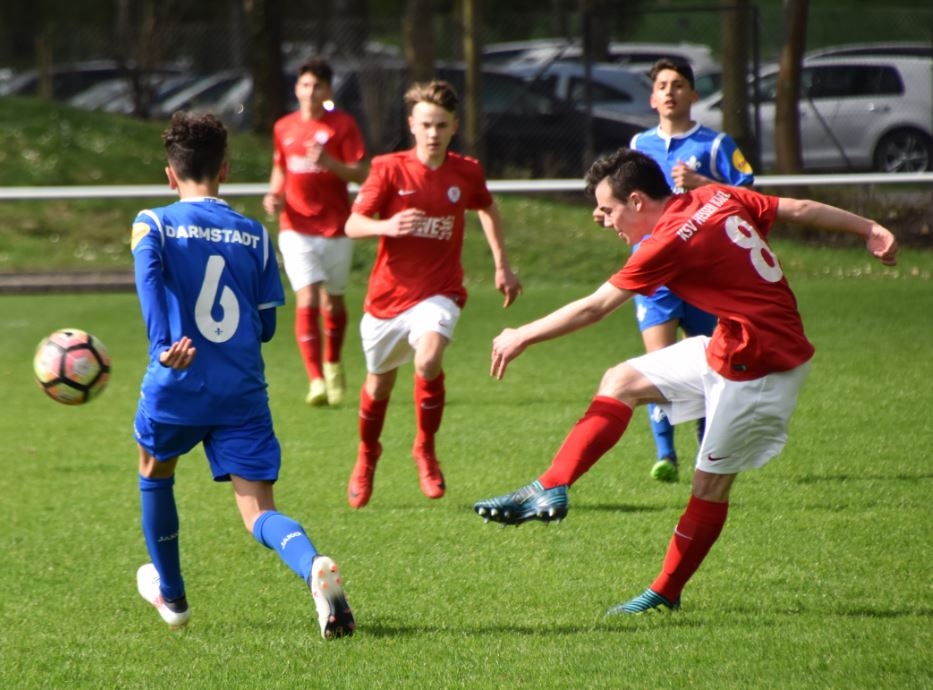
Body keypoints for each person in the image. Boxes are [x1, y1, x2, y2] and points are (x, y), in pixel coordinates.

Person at [473, 148, 897, 615]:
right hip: (728, 345)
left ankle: (665, 593)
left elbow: (594, 307)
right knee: (620, 379)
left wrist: (521, 335)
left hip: (761, 369)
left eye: (609, 211)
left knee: (709, 486)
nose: (606, 222)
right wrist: (869, 228)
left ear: (637, 201)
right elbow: (797, 208)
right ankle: (552, 484)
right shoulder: (713, 195)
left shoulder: (666, 242)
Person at [131, 112, 355, 639]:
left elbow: (148, 279)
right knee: (258, 512)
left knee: (154, 471)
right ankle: (312, 566)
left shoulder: (153, 222)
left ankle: (174, 596)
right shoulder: (255, 234)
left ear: (170, 174)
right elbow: (268, 325)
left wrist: (164, 347)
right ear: (225, 170)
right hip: (241, 389)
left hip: (179, 381)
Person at [344, 79, 523, 509]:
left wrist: (502, 263)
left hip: (439, 291)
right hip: (387, 298)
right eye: (426, 124)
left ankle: (425, 447)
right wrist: (387, 226)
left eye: (441, 125)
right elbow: (352, 224)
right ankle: (367, 455)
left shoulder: (466, 171)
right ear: (411, 124)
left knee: (428, 359)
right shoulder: (388, 168)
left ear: (454, 126)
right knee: (379, 386)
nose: (433, 133)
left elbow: (486, 206)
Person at [627, 57, 755, 483]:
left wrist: (702, 184)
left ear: (694, 95)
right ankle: (665, 454)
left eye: (679, 84)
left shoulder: (715, 145)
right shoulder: (639, 143)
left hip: (702, 272)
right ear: (652, 98)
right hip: (655, 274)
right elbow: (625, 197)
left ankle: (705, 450)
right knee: (659, 363)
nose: (670, 92)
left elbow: (748, 194)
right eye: (662, 85)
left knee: (709, 365)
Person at [263, 58, 367, 407]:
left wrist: (329, 163)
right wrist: (275, 195)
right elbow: (281, 168)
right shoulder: (284, 127)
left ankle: (333, 363)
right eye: (305, 85)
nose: (310, 92)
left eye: (318, 86)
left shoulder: (343, 125)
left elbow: (360, 173)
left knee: (332, 302)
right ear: (297, 88)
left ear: (328, 91)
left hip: (336, 226)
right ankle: (316, 379)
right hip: (295, 227)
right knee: (306, 298)